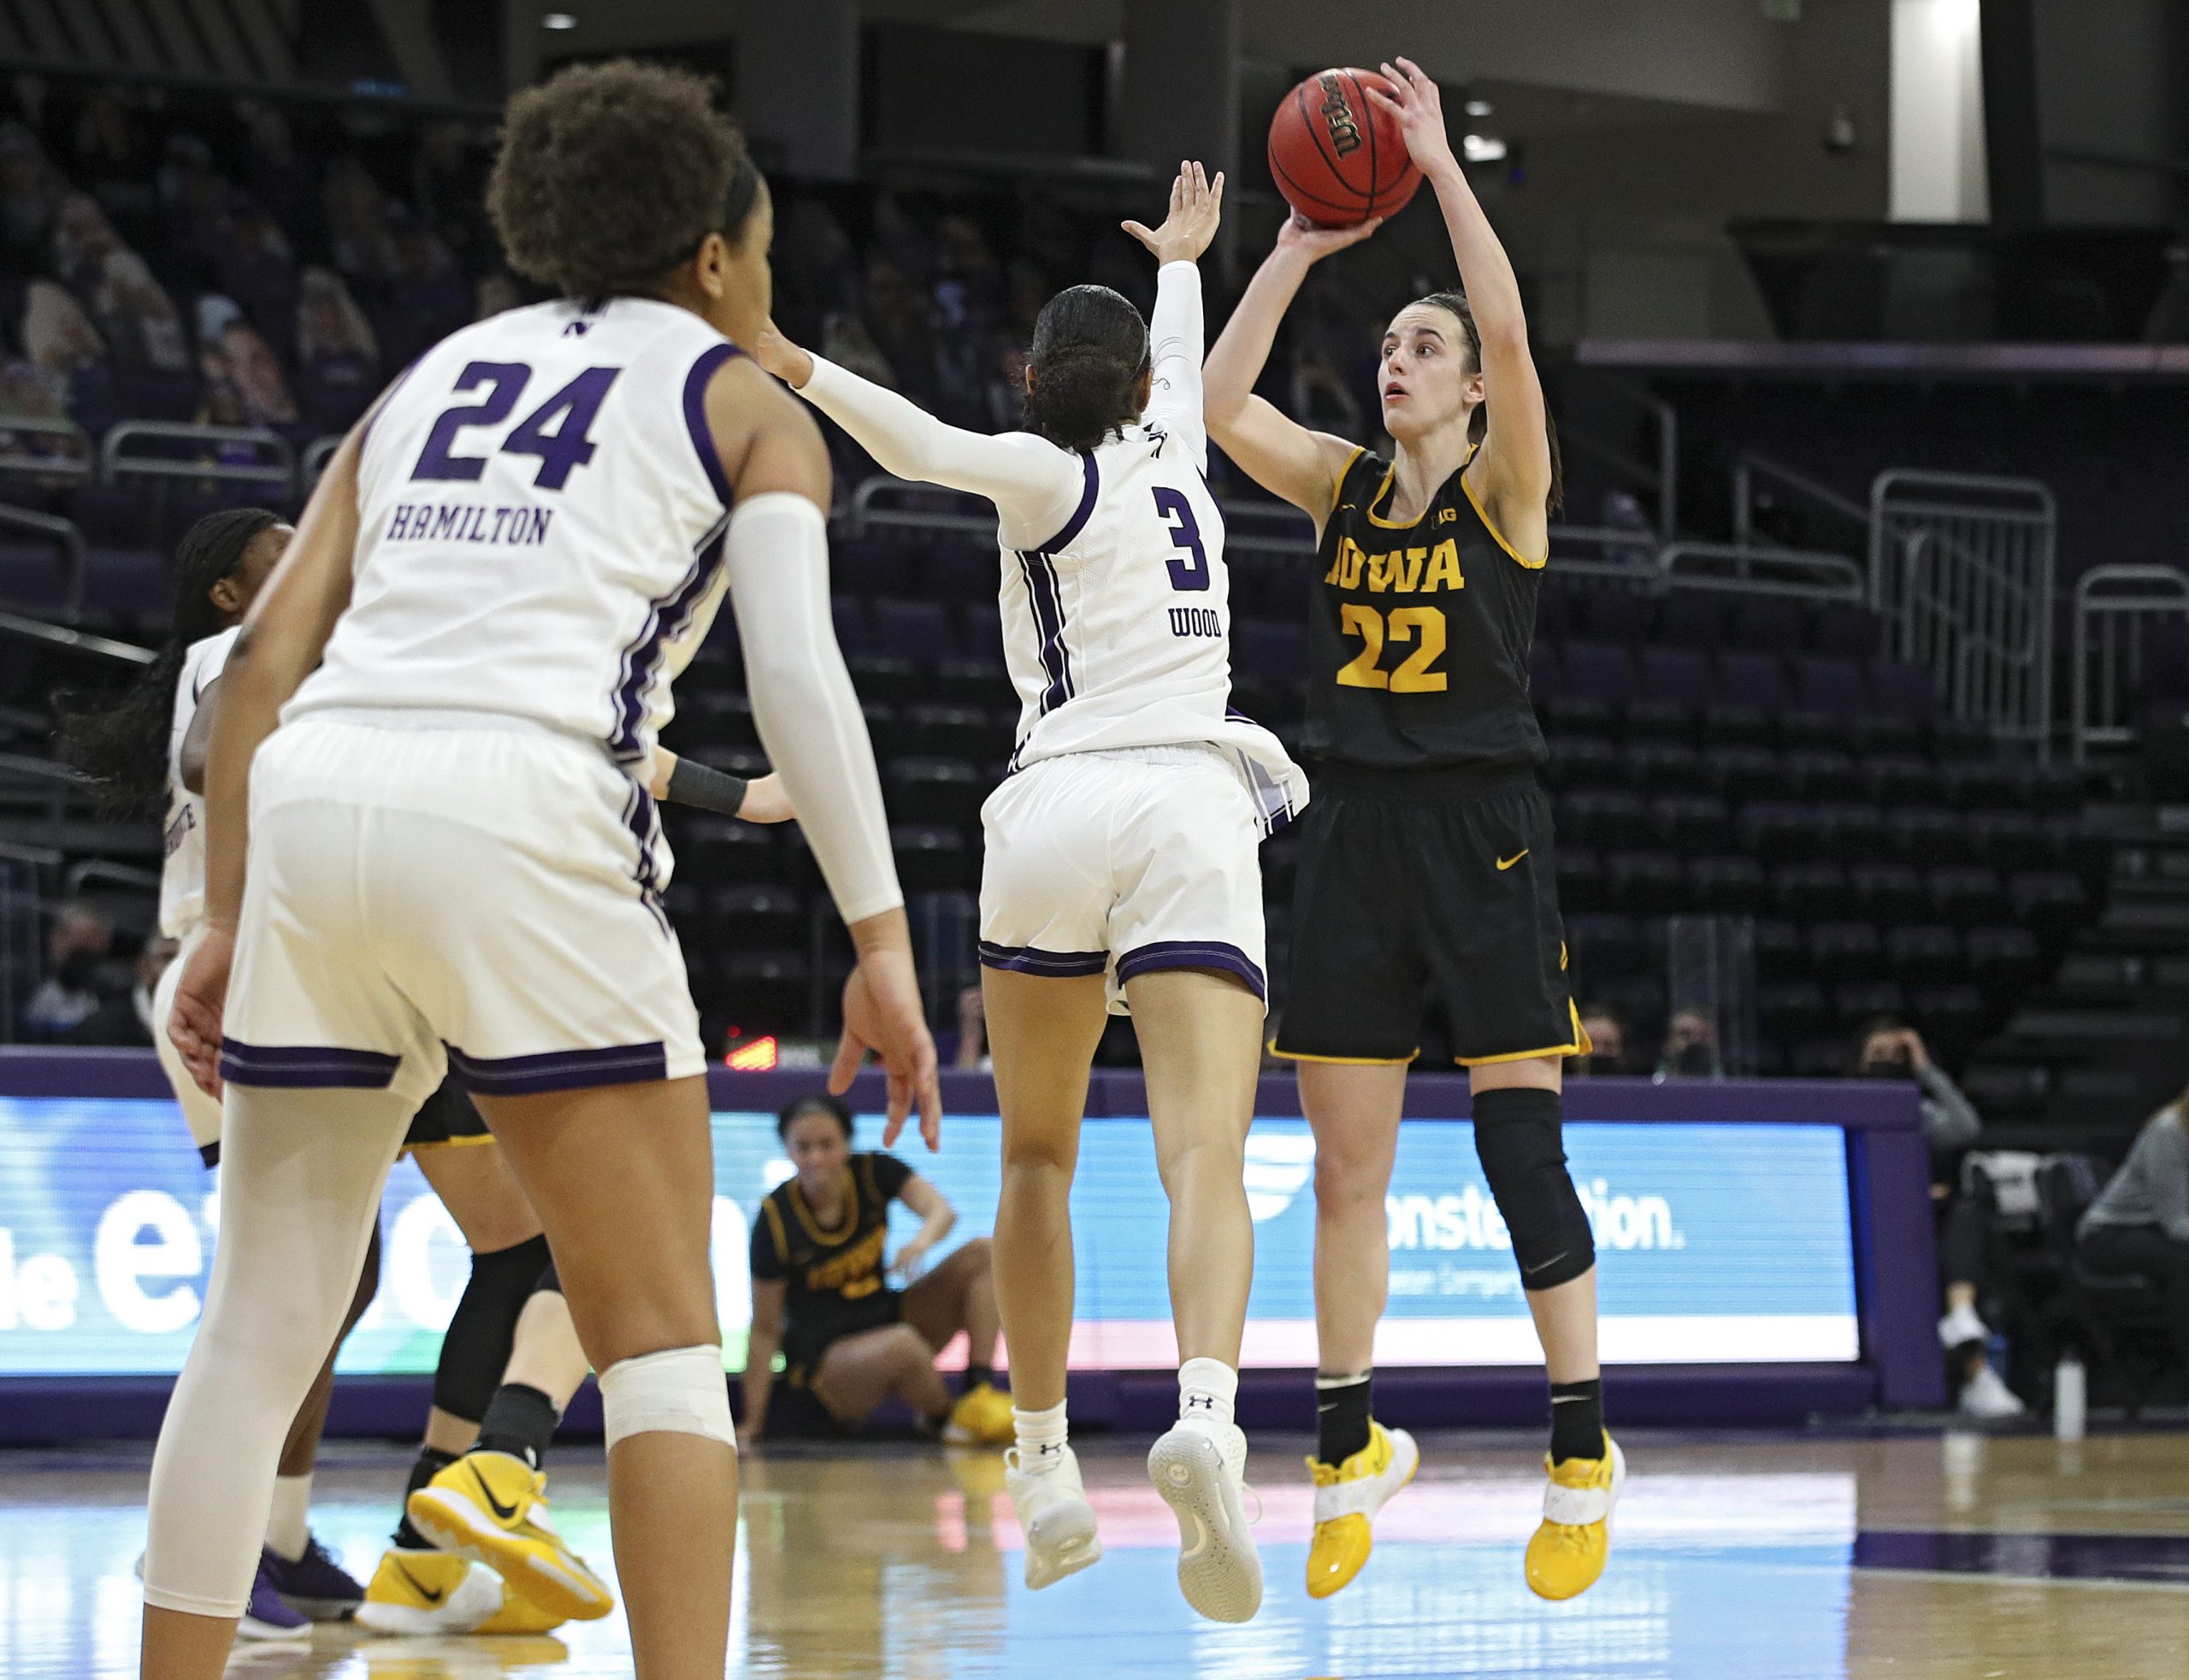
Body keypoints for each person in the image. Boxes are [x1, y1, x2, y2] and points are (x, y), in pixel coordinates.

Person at [139, 59, 940, 1680]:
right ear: (714, 255)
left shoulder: (421, 379)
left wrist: (223, 922)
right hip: (525, 806)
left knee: (253, 1331)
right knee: (655, 1346)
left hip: (317, 798)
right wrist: (883, 936)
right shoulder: (744, 399)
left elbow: (262, 671)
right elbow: (796, 677)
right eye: (765, 250)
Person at [752, 160, 1305, 1625]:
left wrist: (785, 354)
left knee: (1038, 1165)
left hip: (1052, 808)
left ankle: (1048, 1468)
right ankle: (1206, 1414)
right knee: (1205, 1157)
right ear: (1136, 381)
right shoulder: (1178, 450)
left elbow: (919, 442)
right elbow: (1173, 362)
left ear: (1034, 377)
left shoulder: (1040, 472)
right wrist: (1188, 258)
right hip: (1189, 799)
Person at [1202, 58, 1618, 1605]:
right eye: (1389, 341)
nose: (1400, 357)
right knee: (1348, 1170)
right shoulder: (1339, 489)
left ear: (1471, 387)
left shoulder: (1512, 491)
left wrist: (1438, 167)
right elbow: (1212, 407)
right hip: (1357, 835)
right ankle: (1344, 1443)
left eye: (1421, 343)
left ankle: (1581, 1444)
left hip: (1487, 831)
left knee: (1518, 1144)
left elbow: (1510, 326)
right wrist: (1303, 248)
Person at [742, 1093, 1011, 1446]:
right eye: (803, 1147)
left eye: (827, 1145)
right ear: (787, 1150)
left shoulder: (873, 1172)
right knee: (902, 1346)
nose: (815, 1158)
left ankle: (978, 1391)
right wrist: (752, 1427)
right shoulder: (775, 1218)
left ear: (847, 1143)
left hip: (886, 1315)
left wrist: (919, 1244)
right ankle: (948, 1419)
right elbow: (764, 1329)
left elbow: (941, 1211)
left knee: (984, 1254)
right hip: (826, 1362)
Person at [1854, 1018, 2021, 1418]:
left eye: (1897, 1054)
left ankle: (1965, 1328)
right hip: (1863, 1222)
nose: (1886, 1061)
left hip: (1914, 1222)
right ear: (1860, 1062)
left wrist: (1926, 1068)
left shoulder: (1918, 1110)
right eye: (1877, 1053)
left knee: (1964, 1213)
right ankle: (1972, 1366)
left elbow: (1966, 1128)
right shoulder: (1847, 1104)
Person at [2077, 1085, 2189, 1379]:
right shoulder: (2169, 1130)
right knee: (2184, 1264)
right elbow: (2176, 1223)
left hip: (2158, 1233)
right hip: (2110, 1234)